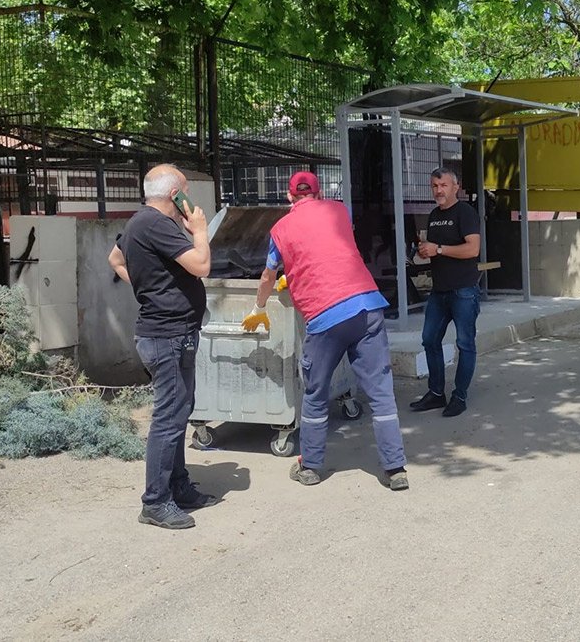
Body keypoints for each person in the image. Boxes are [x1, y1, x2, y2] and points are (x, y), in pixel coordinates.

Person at [243, 171, 408, 490]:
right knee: (381, 392)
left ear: (288, 197)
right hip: (366, 306)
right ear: (318, 194)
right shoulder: (339, 210)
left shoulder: (280, 230)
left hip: (325, 316)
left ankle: (311, 467)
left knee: (316, 393)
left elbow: (267, 277)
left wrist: (259, 308)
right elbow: (330, 246)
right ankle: (396, 468)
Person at [108, 164, 218, 530]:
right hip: (166, 335)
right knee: (169, 418)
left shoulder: (143, 223)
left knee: (179, 412)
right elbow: (201, 265)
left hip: (174, 333)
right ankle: (155, 501)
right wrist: (200, 231)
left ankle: (178, 485)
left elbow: (116, 259)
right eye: (186, 191)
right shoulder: (155, 223)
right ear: (176, 194)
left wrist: (149, 286)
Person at [409, 167, 481, 418]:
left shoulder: (466, 213)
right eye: (434, 186)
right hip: (439, 292)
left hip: (464, 291)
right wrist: (424, 252)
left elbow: (472, 250)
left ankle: (459, 396)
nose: (439, 190)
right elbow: (434, 249)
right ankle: (436, 394)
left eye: (443, 186)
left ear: (455, 187)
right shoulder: (433, 215)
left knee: (465, 344)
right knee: (429, 340)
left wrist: (438, 249)